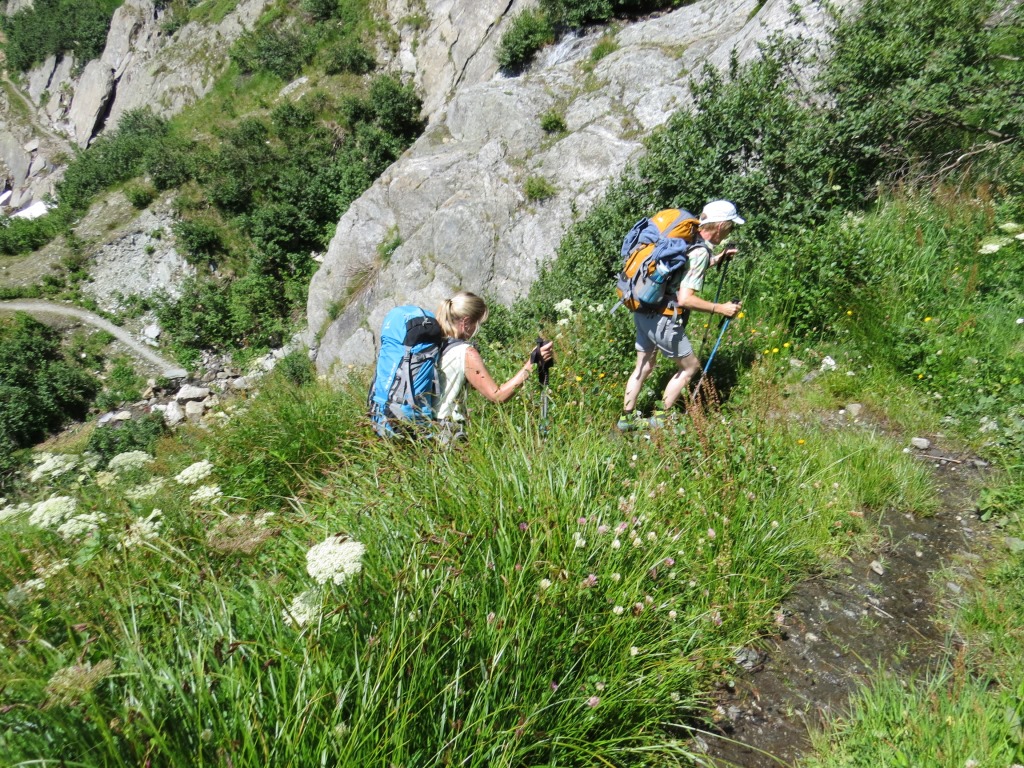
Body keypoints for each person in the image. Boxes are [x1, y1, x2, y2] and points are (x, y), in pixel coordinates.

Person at [617, 200, 745, 431]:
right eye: (730, 227)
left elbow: (681, 270)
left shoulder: (687, 238)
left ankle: (626, 419)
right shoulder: (700, 251)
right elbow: (685, 299)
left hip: (642, 308)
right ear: (720, 226)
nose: (729, 232)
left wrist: (718, 258)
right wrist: (721, 308)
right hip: (663, 318)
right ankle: (660, 420)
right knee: (690, 367)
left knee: (643, 366)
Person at [434, 291, 554, 429]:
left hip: (429, 428)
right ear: (466, 322)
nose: (477, 329)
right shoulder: (465, 352)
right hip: (448, 431)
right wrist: (531, 364)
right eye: (477, 323)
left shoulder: (437, 346)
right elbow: (497, 397)